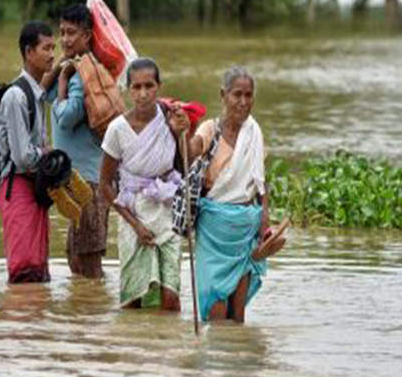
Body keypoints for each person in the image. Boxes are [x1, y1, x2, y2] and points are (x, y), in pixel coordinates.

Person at [182, 66, 280, 323]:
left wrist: (265, 219)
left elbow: (260, 181)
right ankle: (218, 359)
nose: (243, 102)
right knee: (215, 307)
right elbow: (191, 150)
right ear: (223, 95)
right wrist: (182, 130)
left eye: (249, 95)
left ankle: (236, 358)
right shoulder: (210, 130)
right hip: (214, 231)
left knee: (237, 317)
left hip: (245, 231)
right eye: (237, 94)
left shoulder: (254, 132)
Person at [99, 58, 190, 310]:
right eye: (136, 87)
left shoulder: (171, 120)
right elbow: (105, 186)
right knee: (133, 297)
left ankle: (167, 345)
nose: (143, 94)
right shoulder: (117, 130)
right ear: (128, 90)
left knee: (170, 298)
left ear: (159, 86)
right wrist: (135, 225)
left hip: (166, 212)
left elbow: (184, 168)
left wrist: (182, 132)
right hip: (133, 213)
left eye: (149, 86)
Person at [42, 4, 109, 278]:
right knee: (76, 260)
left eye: (72, 33)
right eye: (62, 33)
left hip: (90, 183)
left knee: (88, 265)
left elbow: (67, 116)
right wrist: (60, 67)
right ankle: (83, 316)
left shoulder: (83, 74)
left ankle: (94, 316)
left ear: (87, 35)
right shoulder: (72, 69)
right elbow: (41, 93)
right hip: (79, 183)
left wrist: (63, 82)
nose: (65, 40)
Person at [0, 21, 55, 283]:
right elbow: (22, 157)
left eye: (54, 48)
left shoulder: (37, 94)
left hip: (34, 189)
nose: (53, 54)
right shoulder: (16, 97)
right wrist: (47, 153)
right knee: (23, 270)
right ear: (29, 52)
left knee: (38, 272)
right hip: (17, 187)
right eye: (46, 48)